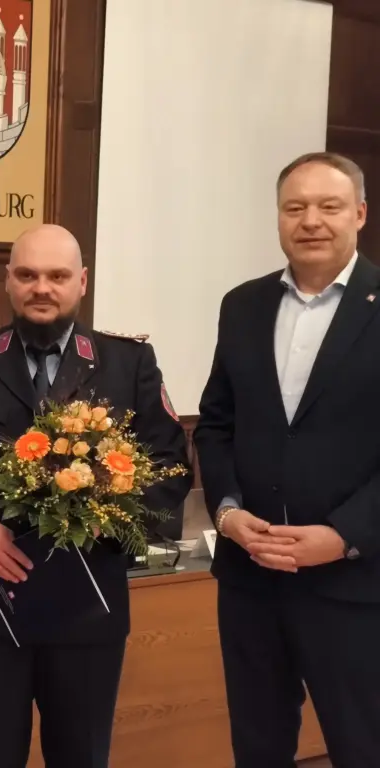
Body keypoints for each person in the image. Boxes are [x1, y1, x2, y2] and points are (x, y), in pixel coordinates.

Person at [0, 224, 192, 768]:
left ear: (82, 282)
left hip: (89, 604)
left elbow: (171, 465)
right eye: (28, 275)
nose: (42, 288)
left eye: (57, 276)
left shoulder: (127, 361)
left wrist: (112, 516)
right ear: (8, 281)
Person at [195, 151, 379, 768]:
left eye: (329, 206)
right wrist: (226, 513)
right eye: (295, 207)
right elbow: (215, 424)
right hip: (251, 582)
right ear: (278, 217)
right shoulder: (242, 306)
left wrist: (343, 537)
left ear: (359, 213)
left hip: (355, 584)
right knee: (258, 748)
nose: (311, 221)